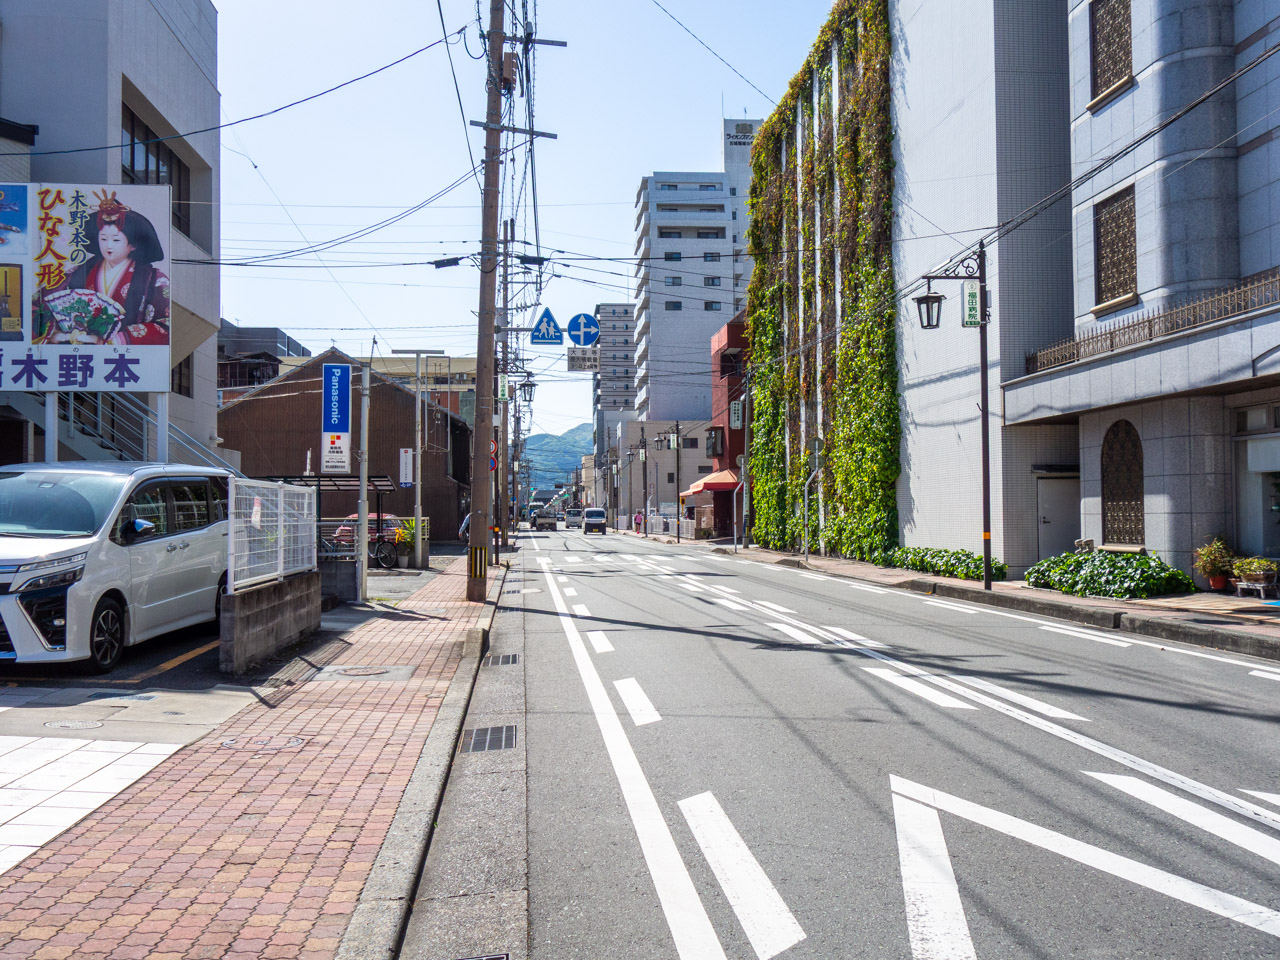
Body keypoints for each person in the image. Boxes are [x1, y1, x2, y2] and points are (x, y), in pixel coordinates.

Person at [35, 190, 170, 345]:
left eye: (116, 240)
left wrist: (117, 340)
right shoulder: (77, 273)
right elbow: (37, 306)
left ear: (133, 245)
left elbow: (165, 325)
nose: (108, 245)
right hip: (76, 356)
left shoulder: (154, 279)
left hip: (126, 359)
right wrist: (54, 333)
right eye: (103, 238)